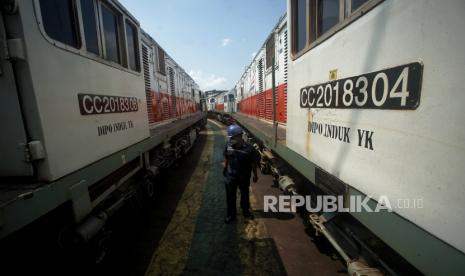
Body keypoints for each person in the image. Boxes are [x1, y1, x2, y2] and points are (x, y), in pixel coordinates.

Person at [223, 124, 260, 223]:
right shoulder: (228, 145)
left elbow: (253, 163)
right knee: (230, 196)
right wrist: (225, 169)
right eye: (230, 138)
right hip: (230, 176)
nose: (230, 140)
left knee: (245, 194)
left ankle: (245, 210)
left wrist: (255, 175)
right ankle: (231, 215)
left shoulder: (249, 148)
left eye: (232, 138)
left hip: (244, 176)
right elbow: (226, 157)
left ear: (239, 136)